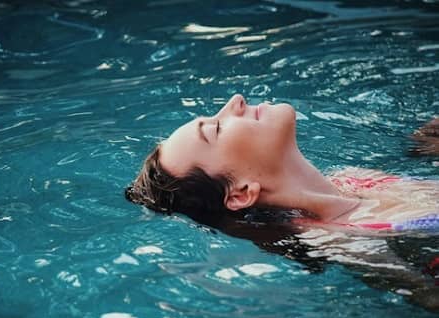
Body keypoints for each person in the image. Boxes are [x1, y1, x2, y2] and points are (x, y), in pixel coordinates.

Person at [125, 94, 438, 233]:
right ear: (239, 193)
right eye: (217, 128)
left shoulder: (353, 178)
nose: (236, 101)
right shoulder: (348, 239)